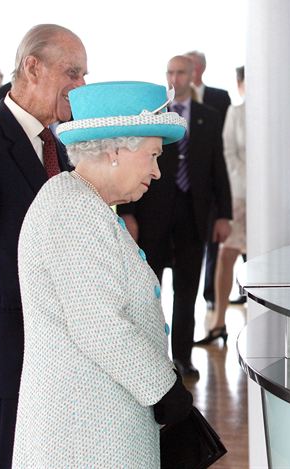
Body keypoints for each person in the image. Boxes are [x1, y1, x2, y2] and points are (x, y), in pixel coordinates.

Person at [13, 81, 193, 467]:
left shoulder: (84, 202)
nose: (157, 171)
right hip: (85, 433)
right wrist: (164, 389)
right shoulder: (73, 209)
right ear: (115, 150)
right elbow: (99, 325)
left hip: (95, 424)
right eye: (152, 156)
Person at [0, 24, 85, 468]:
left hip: (59, 345)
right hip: (8, 347)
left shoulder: (58, 144)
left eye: (84, 75)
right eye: (72, 72)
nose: (81, 85)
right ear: (32, 68)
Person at [118, 55, 231, 379]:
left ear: (192, 75)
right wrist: (127, 213)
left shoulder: (208, 117)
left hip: (193, 216)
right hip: (153, 216)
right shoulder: (152, 116)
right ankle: (153, 358)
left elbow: (217, 166)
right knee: (148, 289)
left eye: (181, 72)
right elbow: (133, 164)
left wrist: (223, 215)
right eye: (170, 72)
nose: (175, 78)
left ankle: (182, 357)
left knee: (187, 289)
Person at [197, 66, 247, 346]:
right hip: (240, 195)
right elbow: (227, 153)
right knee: (226, 255)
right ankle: (218, 322)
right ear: (240, 84)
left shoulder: (279, 113)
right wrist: (250, 181)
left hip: (271, 200)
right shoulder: (235, 113)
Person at [185, 50, 232, 310]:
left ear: (200, 69)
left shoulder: (219, 98)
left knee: (213, 244)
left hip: (208, 184)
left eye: (190, 66)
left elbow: (222, 147)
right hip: (182, 188)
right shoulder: (167, 103)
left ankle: (211, 294)